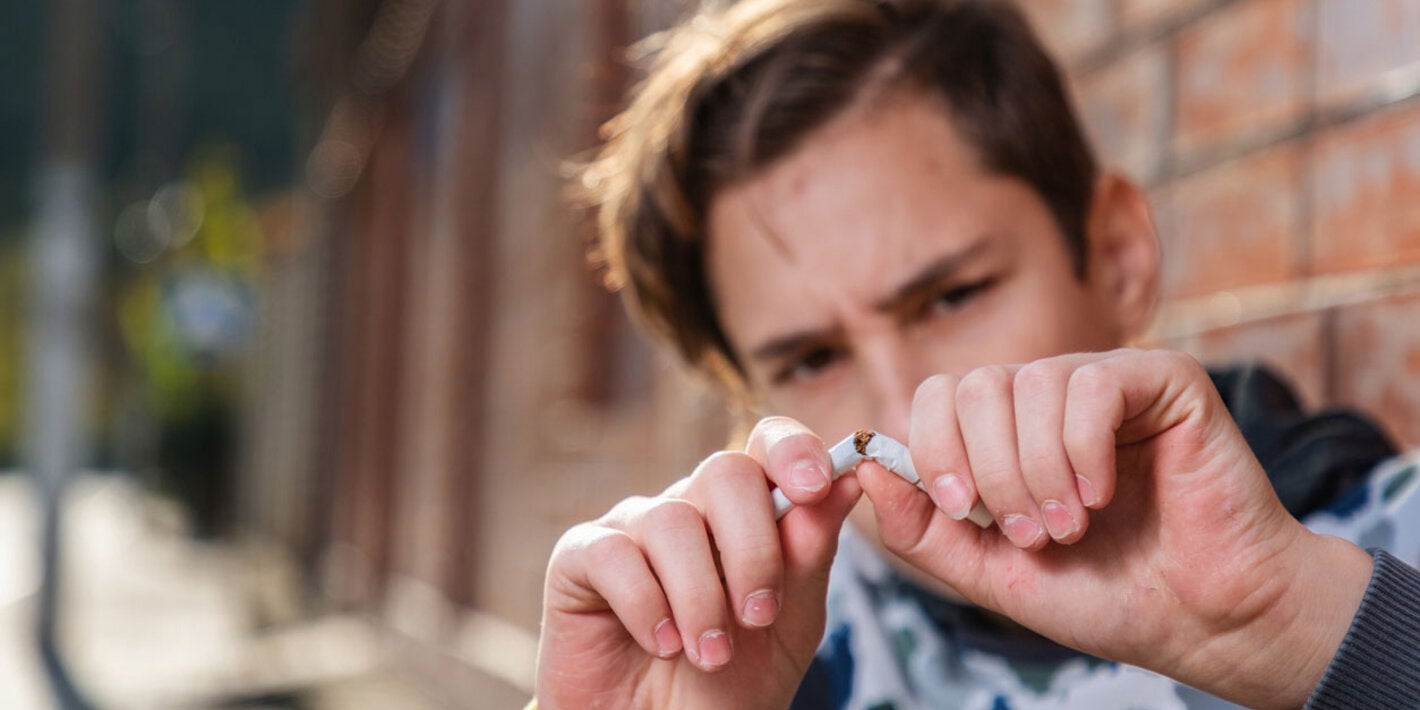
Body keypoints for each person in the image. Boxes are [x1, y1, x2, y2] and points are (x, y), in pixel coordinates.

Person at [534, 0, 1420, 708]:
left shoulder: (1390, 557)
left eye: (952, 298)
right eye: (810, 359)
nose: (898, 412)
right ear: (747, 403)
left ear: (1114, 256)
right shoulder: (740, 674)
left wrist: (1302, 631)